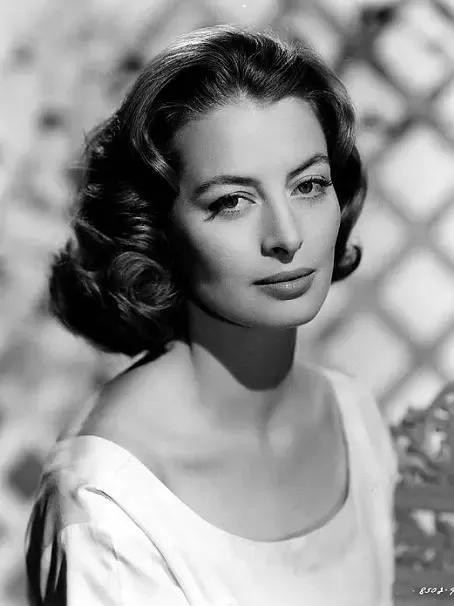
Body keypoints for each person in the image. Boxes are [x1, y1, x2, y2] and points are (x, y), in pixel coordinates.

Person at [24, 25, 398, 606]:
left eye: (308, 185)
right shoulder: (108, 508)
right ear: (155, 227)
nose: (286, 236)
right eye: (232, 201)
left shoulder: (353, 416)